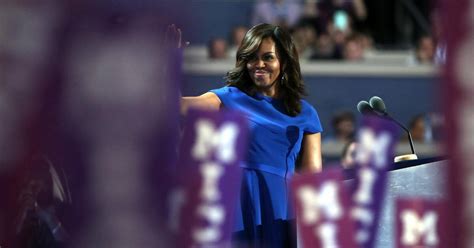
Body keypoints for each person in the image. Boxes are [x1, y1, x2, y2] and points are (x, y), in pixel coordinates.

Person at [180, 23, 323, 247]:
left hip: (280, 211)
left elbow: (313, 178)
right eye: (252, 57)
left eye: (268, 57)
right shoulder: (229, 98)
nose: (259, 65)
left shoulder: (305, 114)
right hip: (234, 204)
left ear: (284, 62)